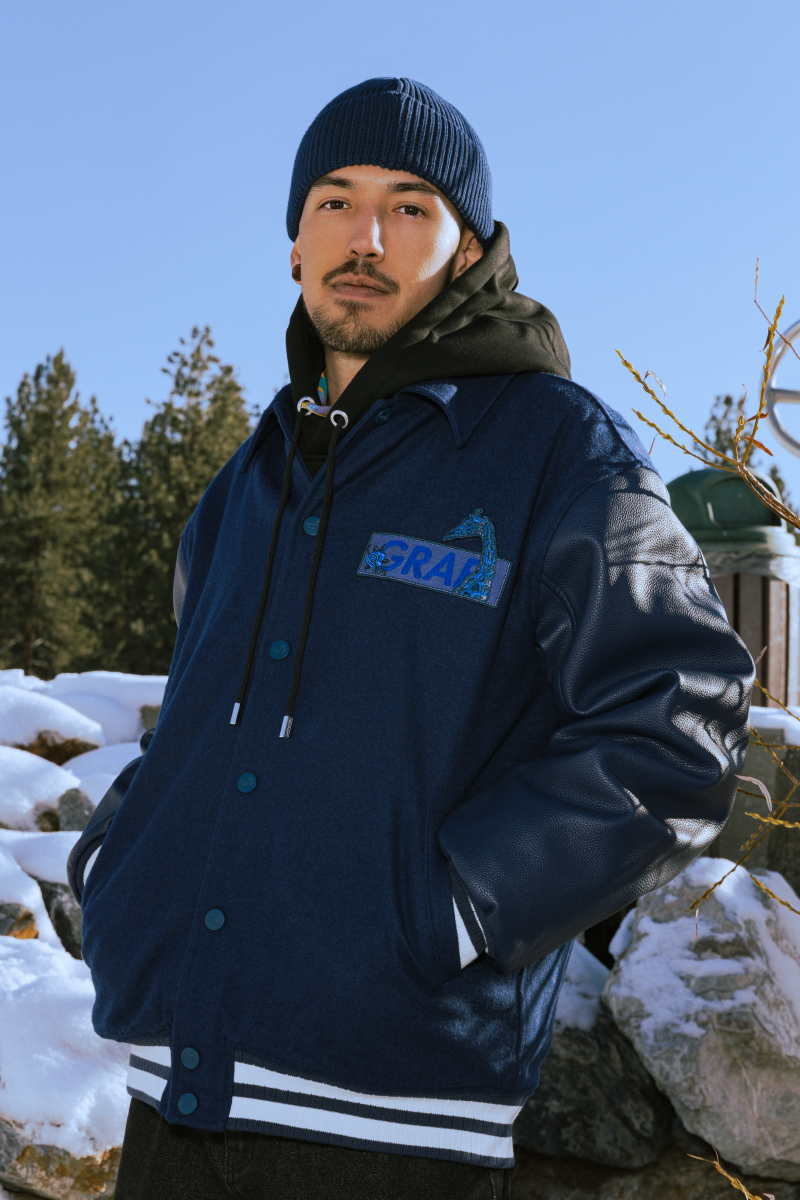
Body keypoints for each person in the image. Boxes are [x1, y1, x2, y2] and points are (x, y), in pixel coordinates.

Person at [69, 77, 753, 1200]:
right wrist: (119, 864)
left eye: (409, 206)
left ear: (468, 248)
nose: (367, 237)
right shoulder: (247, 487)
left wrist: (457, 907)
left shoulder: (560, 453)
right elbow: (189, 727)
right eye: (335, 202)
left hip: (398, 1126)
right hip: (173, 1098)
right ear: (295, 244)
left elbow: (678, 725)